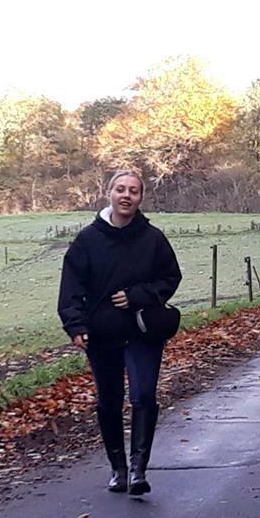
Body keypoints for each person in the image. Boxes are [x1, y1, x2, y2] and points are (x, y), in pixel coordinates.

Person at [58, 170, 182, 494]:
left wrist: (138, 295)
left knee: (143, 396)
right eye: (120, 189)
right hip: (102, 336)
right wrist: (75, 325)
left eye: (134, 191)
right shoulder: (87, 240)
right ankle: (118, 469)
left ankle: (139, 470)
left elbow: (171, 277)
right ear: (109, 193)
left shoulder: (153, 238)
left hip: (142, 332)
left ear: (141, 198)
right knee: (109, 402)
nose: (126, 196)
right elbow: (71, 287)